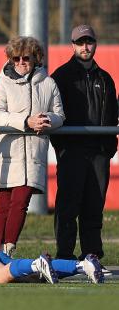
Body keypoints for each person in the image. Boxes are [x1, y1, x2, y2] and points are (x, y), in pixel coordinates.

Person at [0, 36, 64, 257]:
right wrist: (25, 121)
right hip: (6, 152)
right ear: (11, 59)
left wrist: (46, 119)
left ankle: (8, 249)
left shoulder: (48, 83)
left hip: (32, 154)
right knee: (3, 206)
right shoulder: (2, 81)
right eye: (16, 58)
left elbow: (60, 115)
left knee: (20, 202)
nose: (21, 62)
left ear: (36, 58)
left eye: (26, 58)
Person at [51, 25, 118, 262]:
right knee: (68, 206)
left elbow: (112, 115)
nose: (85, 47)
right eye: (80, 43)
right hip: (72, 152)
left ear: (95, 44)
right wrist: (63, 147)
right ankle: (65, 256)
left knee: (94, 206)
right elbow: (52, 115)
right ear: (73, 45)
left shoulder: (105, 78)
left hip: (98, 153)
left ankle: (92, 256)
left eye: (89, 42)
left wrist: (108, 148)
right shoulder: (60, 76)